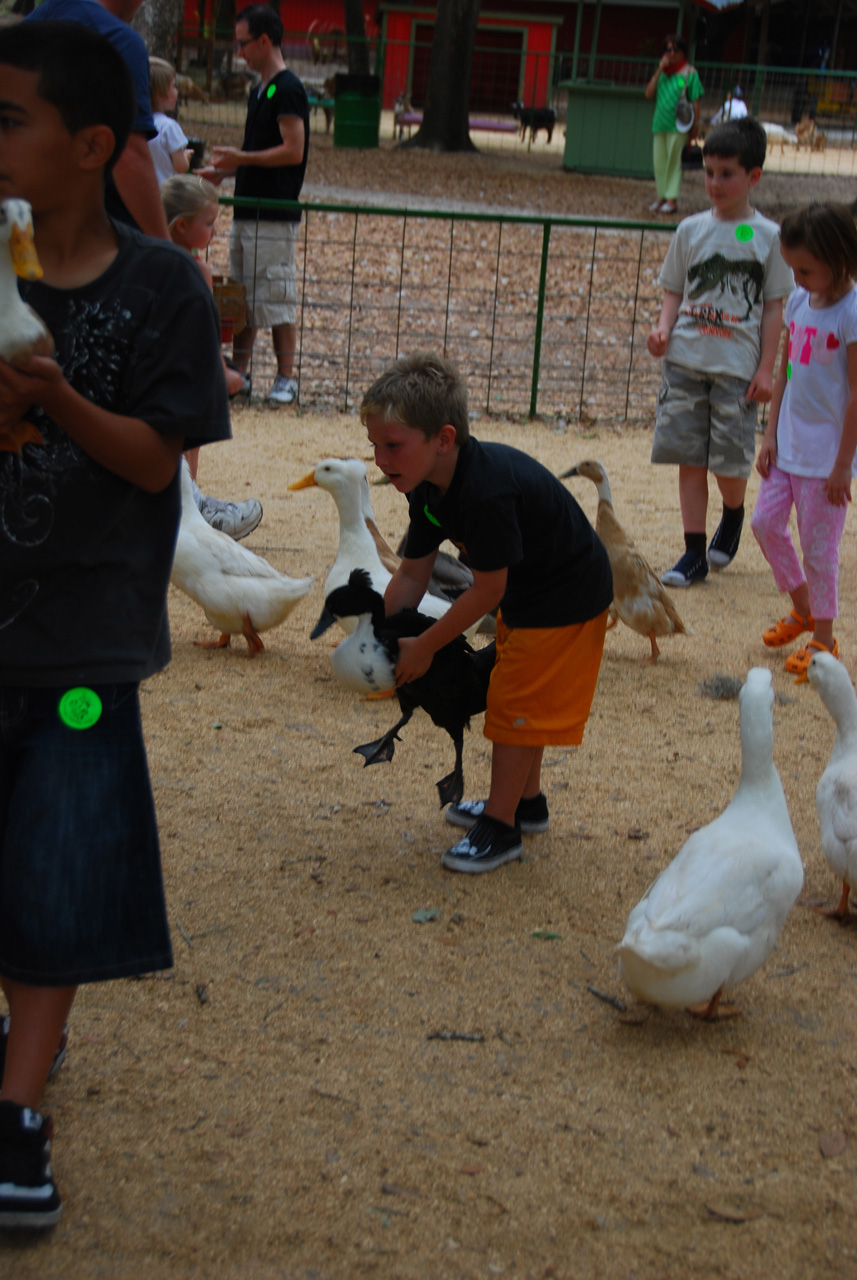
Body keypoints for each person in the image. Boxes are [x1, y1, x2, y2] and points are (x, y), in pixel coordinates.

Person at [0, 21, 231, 1228]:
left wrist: (53, 402)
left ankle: (17, 1108)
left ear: (92, 144)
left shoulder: (160, 287)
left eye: (8, 120)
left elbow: (155, 462)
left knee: (58, 861)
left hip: (83, 652)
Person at [360, 353, 613, 875]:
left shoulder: (485, 490)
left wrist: (425, 646)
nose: (381, 460)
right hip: (533, 595)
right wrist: (385, 638)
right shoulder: (428, 489)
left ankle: (501, 828)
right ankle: (527, 804)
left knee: (514, 706)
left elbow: (489, 587)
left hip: (564, 599)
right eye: (375, 446)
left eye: (393, 445)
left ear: (443, 439)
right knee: (523, 697)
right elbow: (411, 574)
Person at [646, 116, 794, 588]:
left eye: (726, 173)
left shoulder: (769, 237)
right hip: (686, 359)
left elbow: (775, 308)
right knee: (690, 457)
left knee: (727, 463)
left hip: (736, 367)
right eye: (708, 172)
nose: (714, 183)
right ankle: (694, 553)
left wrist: (767, 369)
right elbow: (674, 289)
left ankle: (733, 511)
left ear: (753, 177)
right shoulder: (690, 229)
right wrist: (663, 328)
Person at [751, 203, 857, 676]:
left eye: (805, 269)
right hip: (788, 448)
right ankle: (803, 606)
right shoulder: (798, 302)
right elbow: (787, 369)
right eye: (792, 268)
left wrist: (842, 465)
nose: (796, 279)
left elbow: (856, 394)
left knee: (819, 549)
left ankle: (824, 639)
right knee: (765, 524)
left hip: (825, 462)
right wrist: (770, 432)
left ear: (839, 261)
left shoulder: (852, 313)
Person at [201, 4, 309, 406]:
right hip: (248, 208)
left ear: (265, 41)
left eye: (244, 43)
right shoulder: (260, 89)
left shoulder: (289, 88)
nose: (240, 51)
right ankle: (240, 372)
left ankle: (286, 377)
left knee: (276, 293)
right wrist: (222, 173)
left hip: (274, 213)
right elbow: (259, 152)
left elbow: (292, 151)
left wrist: (240, 160)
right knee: (244, 297)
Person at [161, 174, 264, 539]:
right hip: (186, 369)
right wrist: (222, 371)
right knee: (191, 431)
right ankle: (191, 506)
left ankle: (184, 502)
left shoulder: (144, 261)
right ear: (183, 225)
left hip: (157, 369)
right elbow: (202, 331)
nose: (216, 232)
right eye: (210, 223)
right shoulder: (197, 270)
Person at [26, 0, 169, 238]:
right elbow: (129, 155)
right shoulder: (116, 39)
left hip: (23, 228)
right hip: (89, 240)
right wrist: (165, 249)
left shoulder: (30, 28)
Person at [644, 34, 703, 216]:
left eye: (674, 50)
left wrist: (695, 126)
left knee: (674, 162)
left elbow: (695, 101)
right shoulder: (663, 72)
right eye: (667, 49)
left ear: (682, 52)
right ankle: (661, 196)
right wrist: (659, 70)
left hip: (679, 124)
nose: (670, 53)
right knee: (659, 162)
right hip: (660, 122)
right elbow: (648, 93)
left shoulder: (690, 73)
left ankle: (671, 199)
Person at [148, 56, 192, 187]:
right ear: (159, 93)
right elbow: (181, 166)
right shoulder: (169, 126)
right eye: (173, 86)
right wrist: (186, 156)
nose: (177, 91)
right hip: (165, 194)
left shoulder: (137, 124)